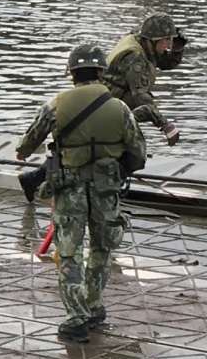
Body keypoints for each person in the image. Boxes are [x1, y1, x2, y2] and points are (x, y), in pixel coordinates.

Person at [15, 39, 146, 340]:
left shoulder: (56, 105)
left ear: (72, 73)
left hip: (69, 189)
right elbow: (138, 153)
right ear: (101, 73)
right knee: (102, 248)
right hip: (106, 189)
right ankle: (94, 306)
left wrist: (28, 152)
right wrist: (115, 168)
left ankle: (76, 319)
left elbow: (26, 145)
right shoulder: (121, 109)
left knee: (69, 252)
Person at [104, 11, 187, 145]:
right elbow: (141, 96)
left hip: (113, 105)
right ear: (153, 40)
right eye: (167, 39)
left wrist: (178, 49)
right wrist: (164, 125)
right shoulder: (134, 58)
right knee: (145, 111)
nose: (169, 44)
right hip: (107, 111)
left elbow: (165, 63)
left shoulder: (142, 44)